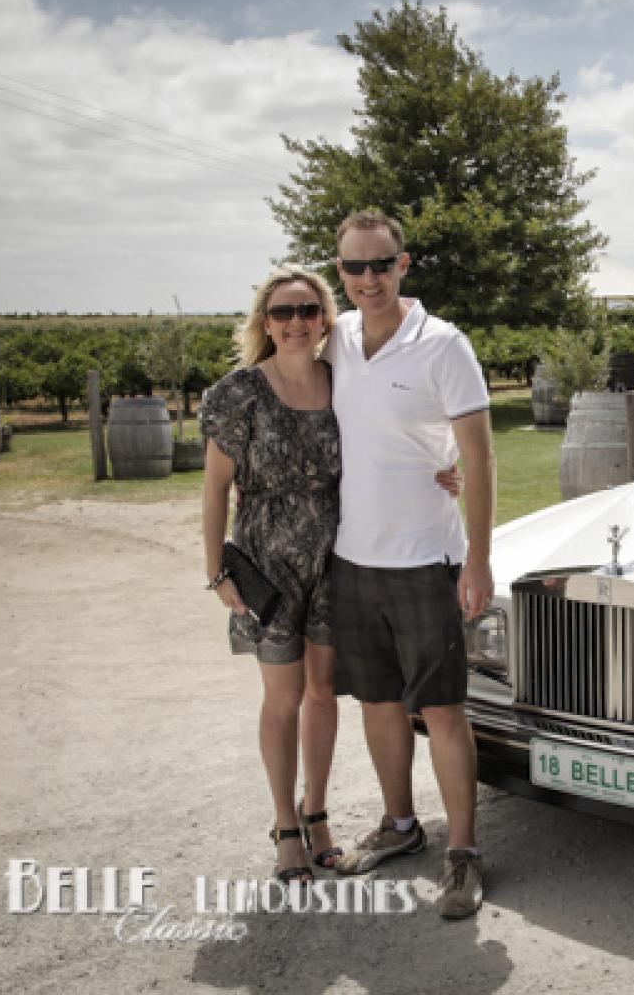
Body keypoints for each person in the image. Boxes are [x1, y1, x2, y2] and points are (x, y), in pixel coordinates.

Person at [325, 209, 495, 921]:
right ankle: (401, 827)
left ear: (405, 264)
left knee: (443, 710)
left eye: (381, 264)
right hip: (352, 558)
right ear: (340, 272)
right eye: (354, 267)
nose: (368, 278)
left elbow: (480, 457)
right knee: (378, 703)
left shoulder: (444, 346)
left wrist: (478, 561)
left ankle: (462, 854)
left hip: (427, 556)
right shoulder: (330, 338)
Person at [200, 266, 345, 884]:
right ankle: (286, 825)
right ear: (265, 321)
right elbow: (214, 489)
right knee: (282, 699)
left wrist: (445, 473)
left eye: (307, 311)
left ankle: (317, 814)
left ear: (323, 319)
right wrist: (217, 573)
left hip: (339, 559)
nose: (295, 322)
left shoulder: (346, 384)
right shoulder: (238, 394)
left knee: (324, 693)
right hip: (270, 563)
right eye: (282, 312)